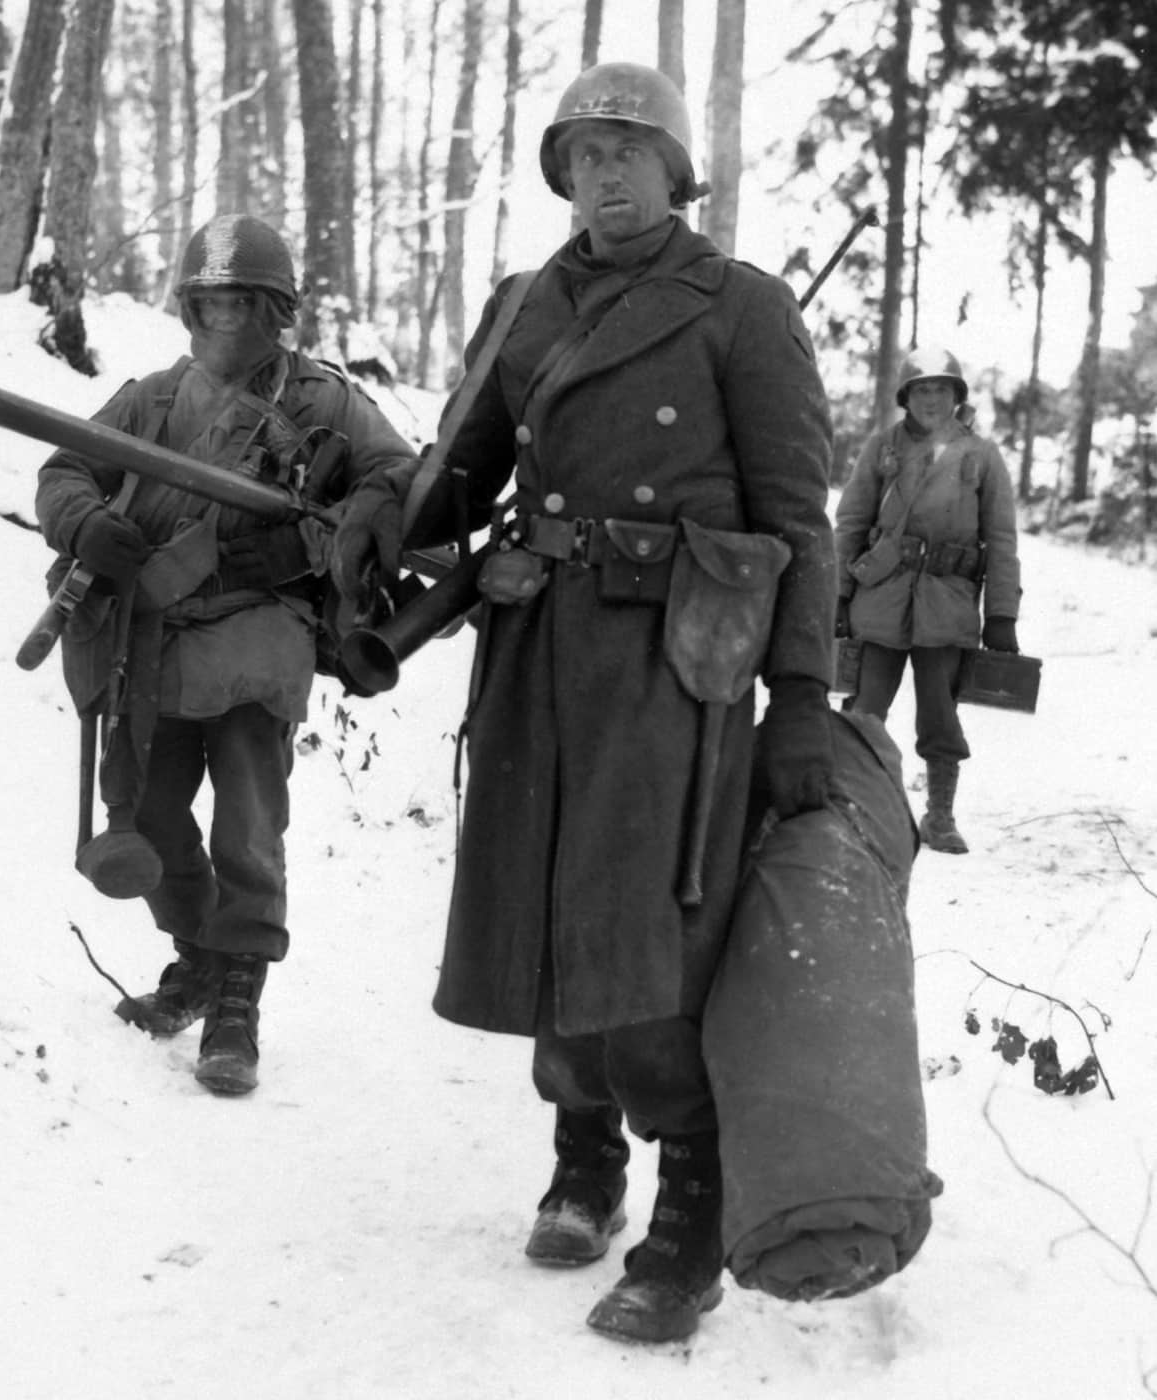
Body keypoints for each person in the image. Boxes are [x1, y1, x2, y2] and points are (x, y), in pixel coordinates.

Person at [330, 63, 837, 1344]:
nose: (604, 172)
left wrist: (803, 699)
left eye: (627, 149)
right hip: (536, 645)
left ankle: (692, 1206)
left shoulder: (741, 308)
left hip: (680, 663)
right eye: (582, 153)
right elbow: (456, 476)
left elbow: (796, 520)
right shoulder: (522, 307)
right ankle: (583, 1158)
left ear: (677, 170)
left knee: (651, 921)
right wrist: (371, 514)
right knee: (543, 906)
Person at [34, 214, 418, 1096]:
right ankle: (199, 956)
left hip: (260, 636)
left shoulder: (326, 403)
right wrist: (88, 524)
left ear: (277, 311)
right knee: (151, 817)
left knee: (248, 823)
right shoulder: (152, 399)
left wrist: (327, 537)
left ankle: (239, 994)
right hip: (153, 641)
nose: (224, 324)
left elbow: (393, 479)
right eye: (208, 305)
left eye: (242, 304)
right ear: (187, 310)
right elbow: (65, 469)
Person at [834, 345, 1022, 854]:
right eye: (921, 389)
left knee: (940, 715)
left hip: (948, 604)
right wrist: (837, 594)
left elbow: (1002, 539)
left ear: (958, 397)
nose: (931, 398)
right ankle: (854, 809)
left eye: (942, 388)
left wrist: (1002, 613)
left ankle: (939, 816)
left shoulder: (982, 456)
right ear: (906, 396)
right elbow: (850, 523)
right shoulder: (883, 447)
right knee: (865, 711)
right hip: (880, 600)